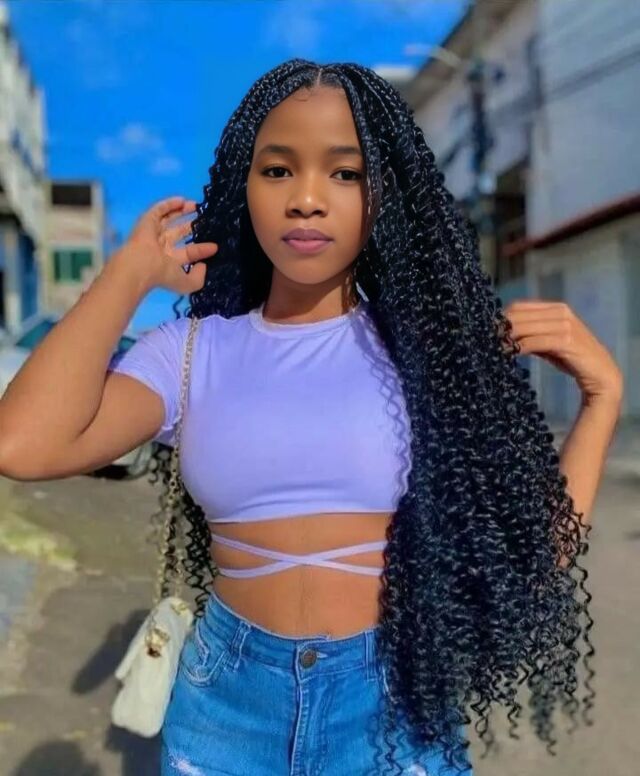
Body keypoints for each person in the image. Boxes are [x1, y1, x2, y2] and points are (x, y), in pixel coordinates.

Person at [0, 59, 623, 776]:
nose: (305, 200)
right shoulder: (189, 352)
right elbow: (23, 446)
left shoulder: (428, 354)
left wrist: (602, 399)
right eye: (277, 170)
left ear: (384, 191)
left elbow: (534, 552)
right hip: (226, 706)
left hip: (393, 707)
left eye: (345, 173)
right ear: (245, 186)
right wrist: (125, 276)